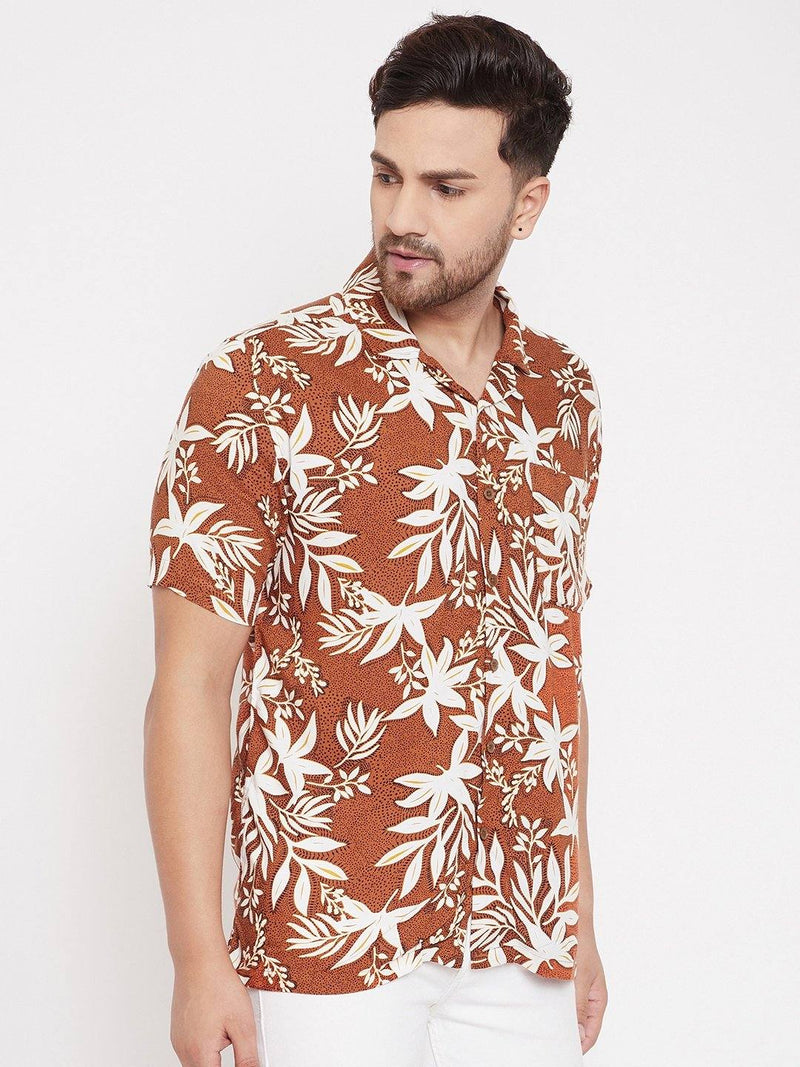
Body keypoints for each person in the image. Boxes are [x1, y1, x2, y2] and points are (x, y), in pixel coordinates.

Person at [144, 12, 608, 1067]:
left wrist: (578, 913)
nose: (402, 215)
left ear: (526, 203)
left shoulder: (563, 400)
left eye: (446, 188)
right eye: (386, 175)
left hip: (521, 937)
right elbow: (188, 684)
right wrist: (197, 957)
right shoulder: (259, 382)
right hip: (327, 942)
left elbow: (550, 671)